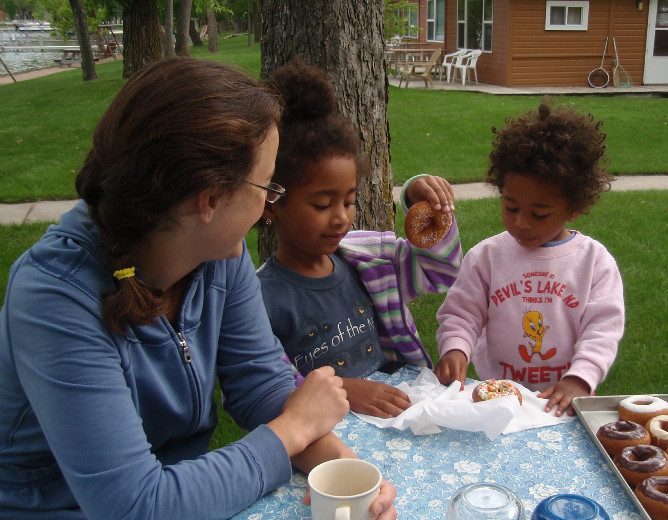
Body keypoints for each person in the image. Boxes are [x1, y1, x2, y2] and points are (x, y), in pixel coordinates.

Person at [0, 57, 396, 520]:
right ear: (208, 199)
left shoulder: (216, 253)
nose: (270, 204)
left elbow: (260, 383)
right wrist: (291, 431)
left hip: (194, 497)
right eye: (268, 187)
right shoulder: (55, 298)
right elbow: (134, 506)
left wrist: (344, 473)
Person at [257, 60, 462, 419]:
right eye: (322, 204)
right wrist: (344, 391)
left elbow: (441, 270)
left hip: (396, 415)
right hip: (324, 437)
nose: (341, 217)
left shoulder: (370, 259)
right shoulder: (260, 297)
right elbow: (261, 383)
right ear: (272, 205)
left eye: (349, 200)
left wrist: (417, 198)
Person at [434, 100, 625, 417]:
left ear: (574, 209)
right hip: (497, 398)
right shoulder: (487, 257)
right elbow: (462, 313)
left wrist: (580, 378)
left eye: (539, 213)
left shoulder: (594, 262)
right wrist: (455, 347)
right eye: (511, 207)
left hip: (563, 400)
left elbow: (602, 330)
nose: (521, 222)